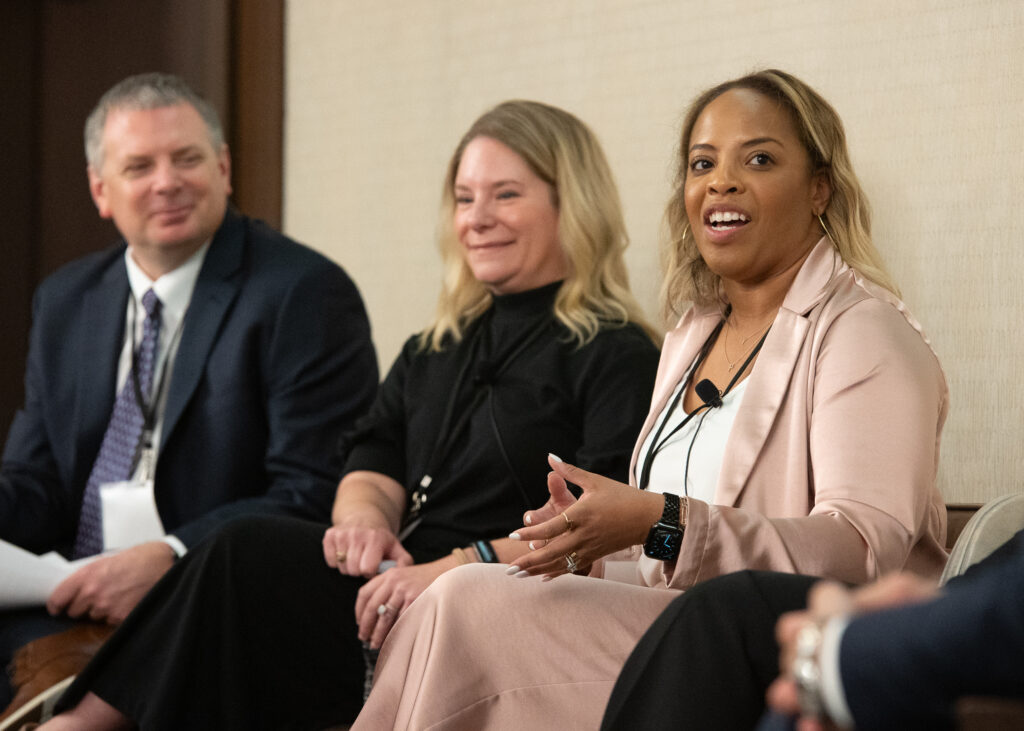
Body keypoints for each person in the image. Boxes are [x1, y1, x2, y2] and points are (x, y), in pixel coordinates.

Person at [348, 69, 950, 730]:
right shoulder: (692, 332)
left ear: (818, 188)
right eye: (702, 163)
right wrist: (583, 541)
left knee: (467, 600)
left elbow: (865, 551)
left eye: (759, 158)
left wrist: (661, 519)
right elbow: (666, 549)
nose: (721, 180)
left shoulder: (865, 333)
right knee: (461, 594)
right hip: (672, 622)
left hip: (778, 643)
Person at [43, 99, 662, 729]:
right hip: (389, 587)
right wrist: (362, 522)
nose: (477, 219)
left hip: (489, 597)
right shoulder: (438, 344)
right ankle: (79, 723)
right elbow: (373, 453)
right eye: (464, 198)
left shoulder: (617, 353)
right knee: (241, 554)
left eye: (504, 196)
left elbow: (596, 527)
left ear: (572, 205)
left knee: (248, 566)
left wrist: (457, 564)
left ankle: (82, 725)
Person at [0, 73, 378, 711]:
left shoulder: (303, 292)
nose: (166, 182)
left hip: (209, 602)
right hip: (69, 590)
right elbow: (36, 483)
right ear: (101, 189)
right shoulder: (66, 301)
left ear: (224, 168)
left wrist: (171, 556)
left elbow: (312, 488)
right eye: (139, 166)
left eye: (187, 158)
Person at [600, 530, 1024, 731]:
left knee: (724, 610)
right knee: (538, 598)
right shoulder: (680, 357)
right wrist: (593, 556)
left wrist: (665, 524)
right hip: (683, 594)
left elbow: (856, 545)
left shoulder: (869, 357)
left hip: (767, 600)